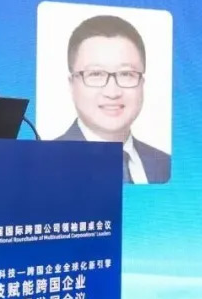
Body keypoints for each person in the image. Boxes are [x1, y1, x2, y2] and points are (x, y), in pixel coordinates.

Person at [55, 14, 171, 184]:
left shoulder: (165, 165)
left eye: (126, 74)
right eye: (96, 74)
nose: (112, 92)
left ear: (142, 83)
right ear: (72, 84)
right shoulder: (47, 163)